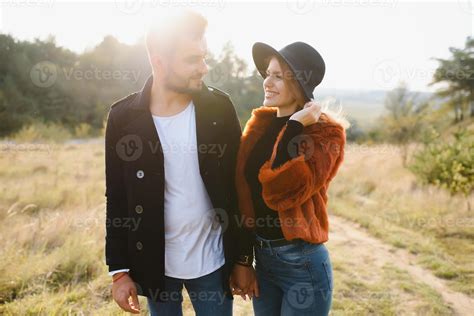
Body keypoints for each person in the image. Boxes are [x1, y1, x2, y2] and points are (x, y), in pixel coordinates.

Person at [104, 10, 241, 315]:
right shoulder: (123, 118)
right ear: (159, 62)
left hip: (214, 261)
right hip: (155, 263)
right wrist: (120, 271)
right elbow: (117, 196)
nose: (204, 68)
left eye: (204, 57)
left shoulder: (219, 108)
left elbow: (238, 186)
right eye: (192, 59)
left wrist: (243, 259)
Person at [229, 41, 349, 316]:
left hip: (302, 263)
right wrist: (244, 259)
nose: (267, 82)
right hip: (264, 259)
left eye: (278, 76)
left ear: (298, 84)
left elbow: (281, 191)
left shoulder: (325, 134)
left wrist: (294, 125)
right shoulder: (259, 125)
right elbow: (243, 195)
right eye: (267, 74)